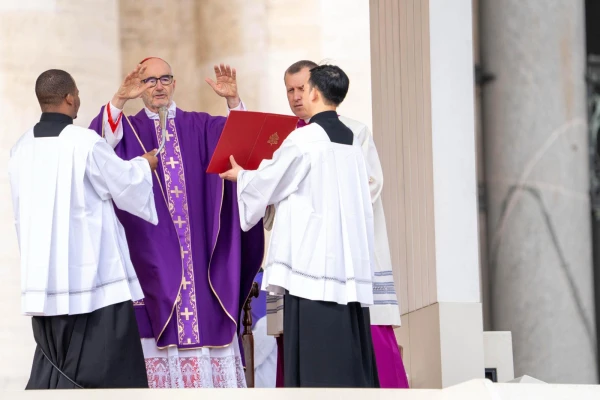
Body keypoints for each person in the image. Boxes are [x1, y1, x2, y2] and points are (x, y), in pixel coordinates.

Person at [88, 58, 264, 388]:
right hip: (150, 258)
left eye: (164, 78)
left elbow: (242, 147)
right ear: (139, 86)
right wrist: (118, 101)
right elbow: (96, 150)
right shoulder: (128, 130)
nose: (157, 86)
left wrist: (233, 103)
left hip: (201, 262)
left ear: (174, 82)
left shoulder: (200, 126)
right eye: (149, 80)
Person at [220, 64, 379, 388]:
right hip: (346, 268)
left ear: (315, 93)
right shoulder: (351, 142)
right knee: (347, 357)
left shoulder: (305, 140)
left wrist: (243, 177)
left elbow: (273, 180)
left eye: (303, 89)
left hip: (312, 268)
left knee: (314, 363)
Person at [9, 69, 159, 389]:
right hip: (94, 281)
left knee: (56, 363)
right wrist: (144, 165)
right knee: (108, 370)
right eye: (77, 94)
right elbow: (122, 182)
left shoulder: (20, 148)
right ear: (69, 97)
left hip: (45, 280)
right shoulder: (84, 143)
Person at [266, 60, 409, 388]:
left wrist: (320, 203)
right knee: (302, 336)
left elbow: (371, 183)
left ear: (318, 89)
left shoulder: (354, 130)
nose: (297, 96)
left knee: (360, 335)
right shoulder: (286, 137)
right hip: (305, 253)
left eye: (303, 88)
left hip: (342, 250)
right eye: (290, 90)